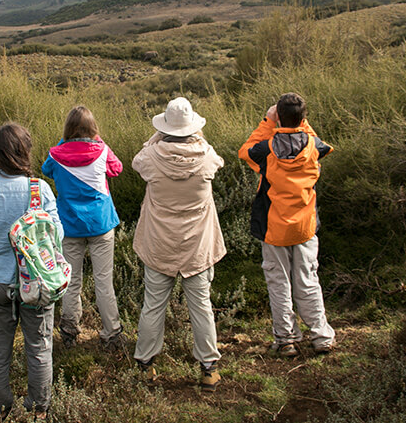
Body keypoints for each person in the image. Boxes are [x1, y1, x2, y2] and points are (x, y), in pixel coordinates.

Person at [0, 123, 63, 421]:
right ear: (26, 152)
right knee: (39, 346)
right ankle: (38, 408)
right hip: (35, 285)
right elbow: (57, 234)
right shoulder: (40, 189)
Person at [131, 97, 226, 392]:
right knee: (201, 307)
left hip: (159, 244)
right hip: (197, 246)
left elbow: (137, 160)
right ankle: (209, 369)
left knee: (153, 305)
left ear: (166, 128)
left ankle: (146, 365)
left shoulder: (150, 157)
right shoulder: (207, 155)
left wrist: (158, 136)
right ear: (192, 128)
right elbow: (216, 160)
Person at [238, 92, 335, 357]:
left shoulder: (266, 150)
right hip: (305, 226)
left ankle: (286, 339)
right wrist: (296, 122)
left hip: (274, 227)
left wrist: (268, 122)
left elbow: (245, 151)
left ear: (278, 116)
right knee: (308, 280)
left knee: (278, 283)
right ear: (303, 118)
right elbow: (320, 143)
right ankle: (321, 336)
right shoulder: (314, 146)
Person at [41, 105, 125, 350]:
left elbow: (47, 170)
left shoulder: (56, 154)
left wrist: (64, 141)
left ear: (67, 129)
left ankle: (69, 330)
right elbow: (116, 169)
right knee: (103, 282)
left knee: (71, 280)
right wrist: (97, 141)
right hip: (101, 224)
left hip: (69, 226)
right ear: (93, 129)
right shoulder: (102, 150)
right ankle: (112, 333)